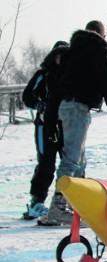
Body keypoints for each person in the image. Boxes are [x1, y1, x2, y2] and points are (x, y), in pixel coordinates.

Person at [43, 20, 107, 226]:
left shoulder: (72, 52)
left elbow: (55, 88)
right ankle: (58, 207)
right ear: (102, 35)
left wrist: (51, 121)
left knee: (79, 161)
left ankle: (76, 203)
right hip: (78, 108)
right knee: (71, 159)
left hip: (65, 107)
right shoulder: (98, 50)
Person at [21, 41, 69, 222]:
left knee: (70, 162)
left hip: (65, 125)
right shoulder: (43, 75)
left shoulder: (71, 76)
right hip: (44, 125)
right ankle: (36, 201)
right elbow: (27, 96)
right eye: (59, 55)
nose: (61, 59)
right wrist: (38, 104)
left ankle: (68, 201)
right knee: (46, 163)